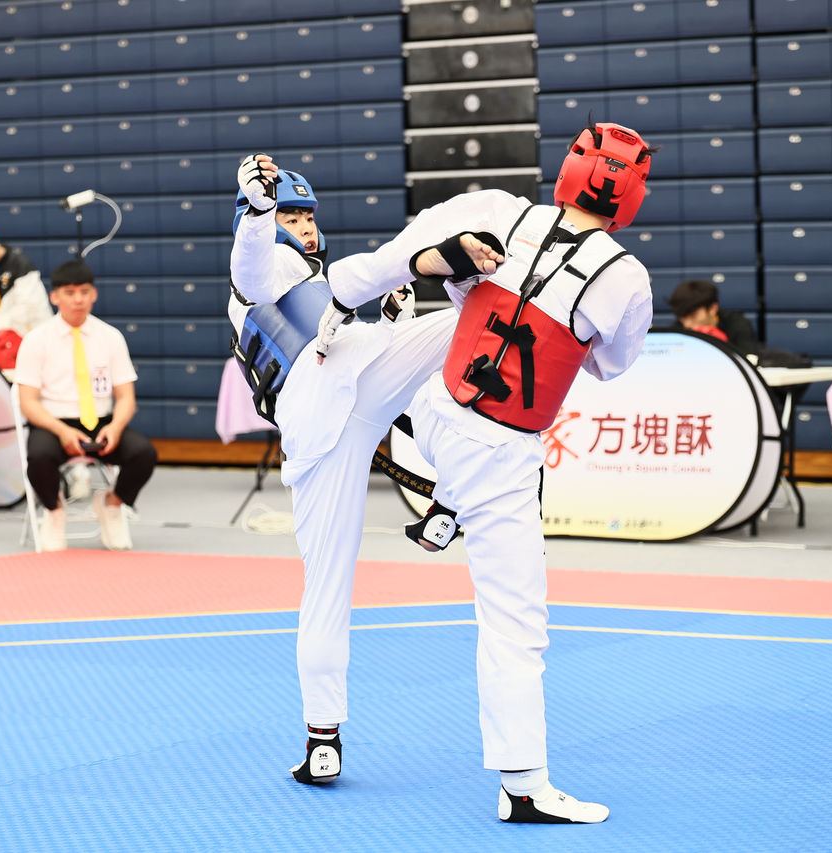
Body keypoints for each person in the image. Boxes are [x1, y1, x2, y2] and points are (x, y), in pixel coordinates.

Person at [319, 122, 655, 823]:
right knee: (515, 622)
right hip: (498, 451)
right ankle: (524, 785)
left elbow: (397, 262)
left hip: (431, 410)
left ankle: (445, 505)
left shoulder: (500, 212)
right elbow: (611, 364)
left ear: (569, 171)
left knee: (446, 337)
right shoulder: (625, 276)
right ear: (631, 196)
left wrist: (454, 278)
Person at [228, 154, 485, 786]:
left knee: (326, 588)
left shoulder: (313, 282)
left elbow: (342, 333)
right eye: (292, 216)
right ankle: (451, 499)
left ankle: (323, 739)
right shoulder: (267, 264)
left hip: (340, 407)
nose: (305, 228)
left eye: (308, 217)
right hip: (331, 400)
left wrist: (394, 320)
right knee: (475, 327)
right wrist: (258, 213)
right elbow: (251, 269)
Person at [13, 259, 156, 551]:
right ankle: (54, 511)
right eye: (69, 293)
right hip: (54, 423)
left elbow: (126, 397)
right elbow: (27, 402)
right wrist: (62, 431)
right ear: (55, 297)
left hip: (101, 422)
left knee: (144, 454)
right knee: (38, 457)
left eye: (84, 291)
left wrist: (116, 427)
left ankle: (111, 504)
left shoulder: (111, 337)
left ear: (94, 294)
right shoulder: (36, 340)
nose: (78, 299)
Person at [665, 278, 761, 352]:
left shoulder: (738, 324)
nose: (687, 324)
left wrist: (723, 344)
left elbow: (750, 358)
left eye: (693, 315)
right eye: (682, 317)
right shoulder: (677, 330)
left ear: (712, 308)